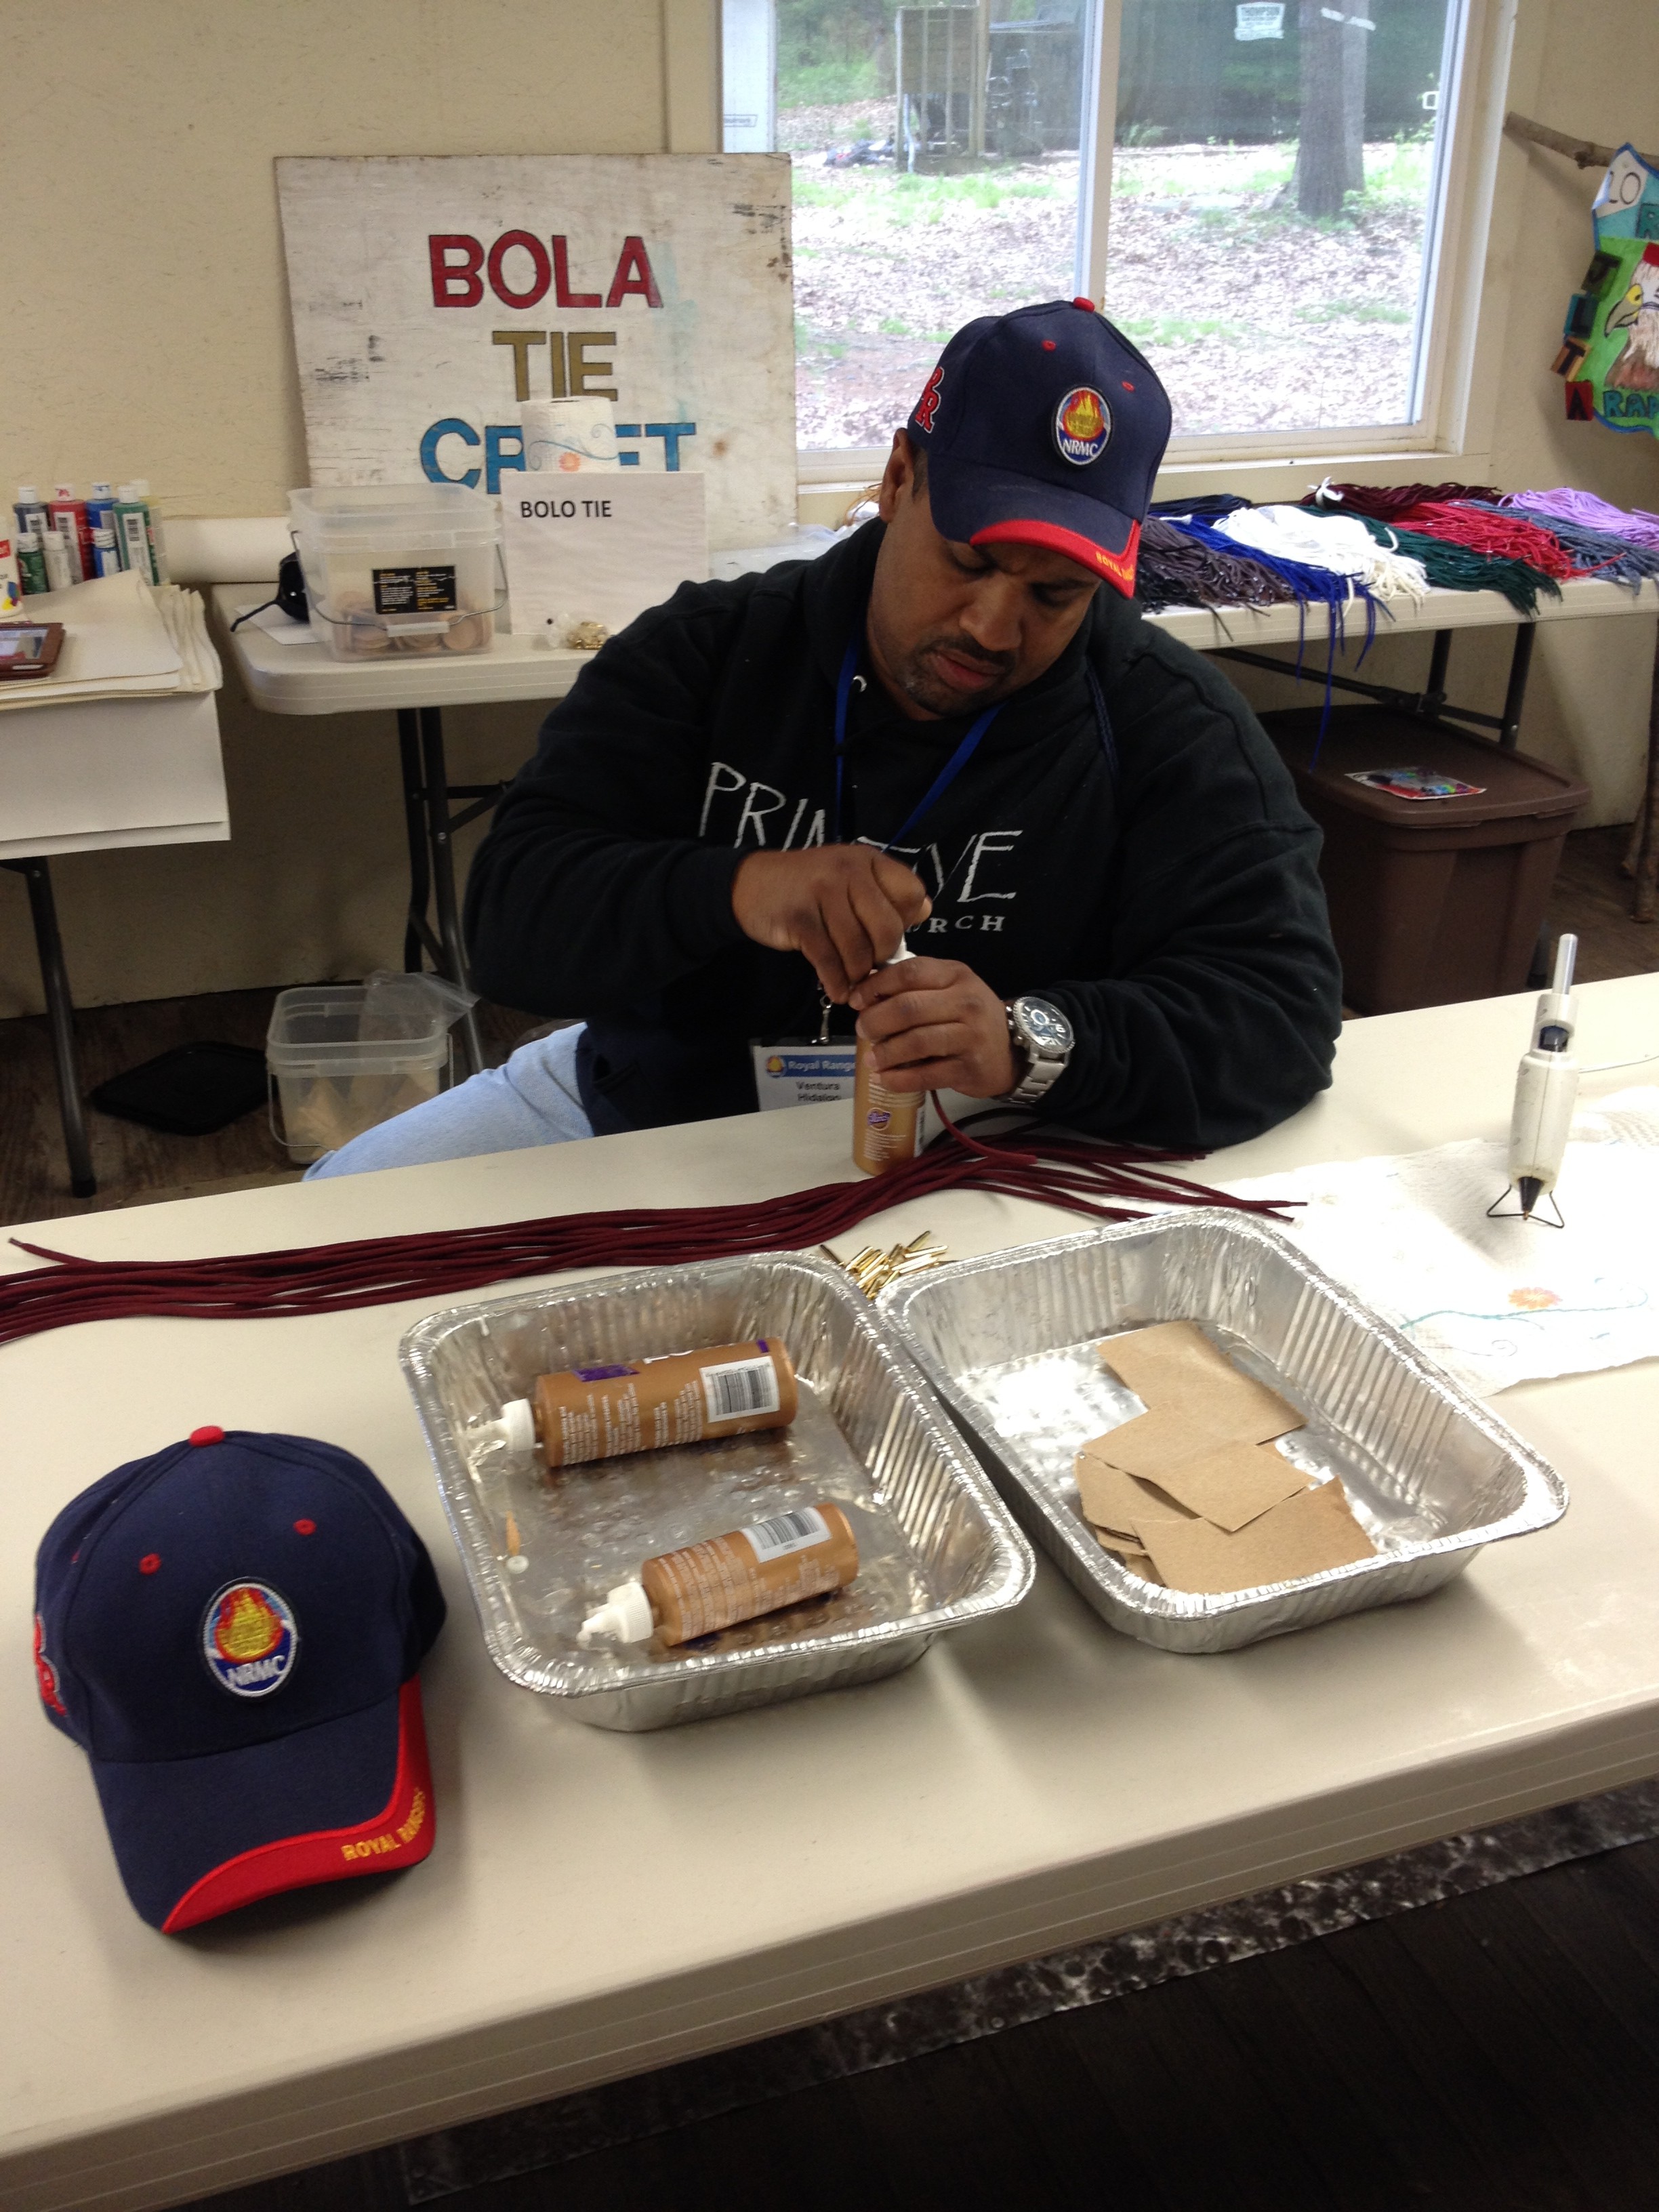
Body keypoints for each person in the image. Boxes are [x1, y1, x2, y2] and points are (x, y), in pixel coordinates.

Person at [308, 299, 1341, 1180]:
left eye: (1055, 594)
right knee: (327, 1208)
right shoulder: (709, 652)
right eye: (969, 562)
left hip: (983, 1143)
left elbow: (1281, 1013)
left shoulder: (1167, 723)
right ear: (899, 477)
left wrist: (1029, 1040)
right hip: (656, 1112)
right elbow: (512, 920)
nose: (994, 628)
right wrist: (733, 888)